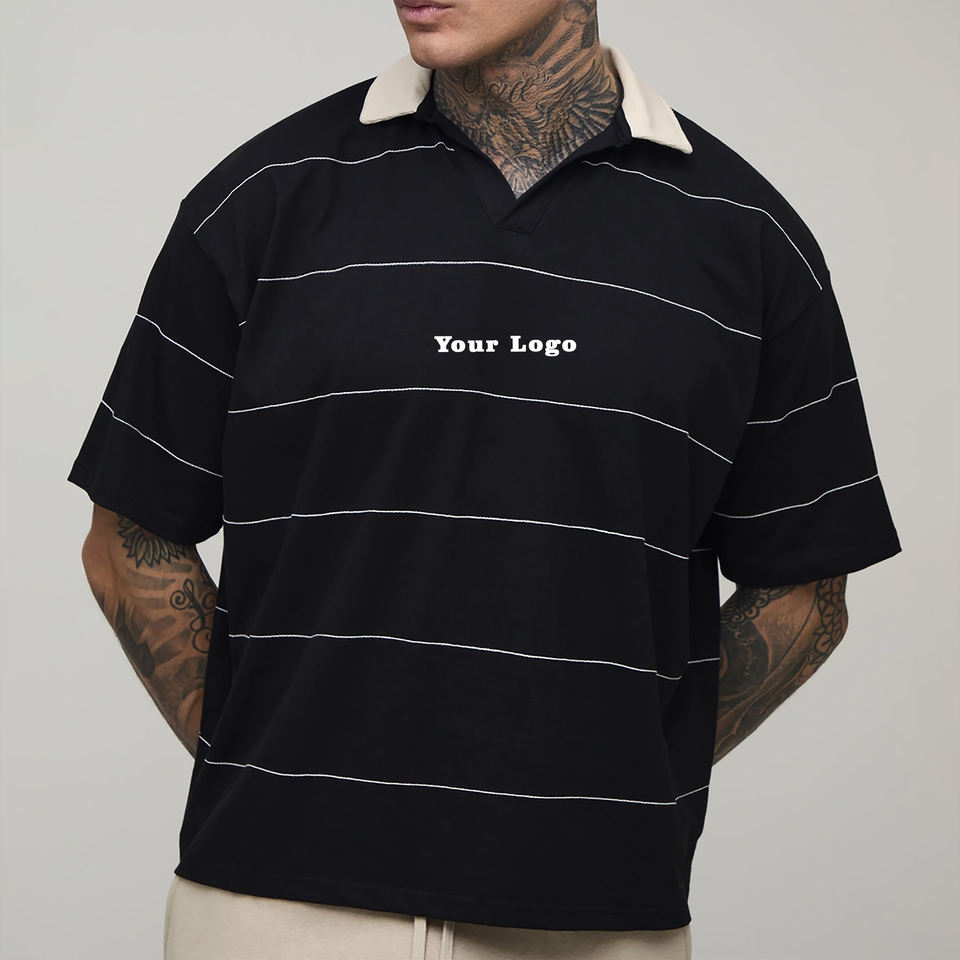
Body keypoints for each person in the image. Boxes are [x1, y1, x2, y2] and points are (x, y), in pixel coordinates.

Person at [68, 1, 902, 958]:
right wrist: (269, 763)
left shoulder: (749, 239)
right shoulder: (261, 199)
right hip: (274, 909)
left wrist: (621, 774)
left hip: (595, 924)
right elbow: (130, 540)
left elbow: (806, 588)